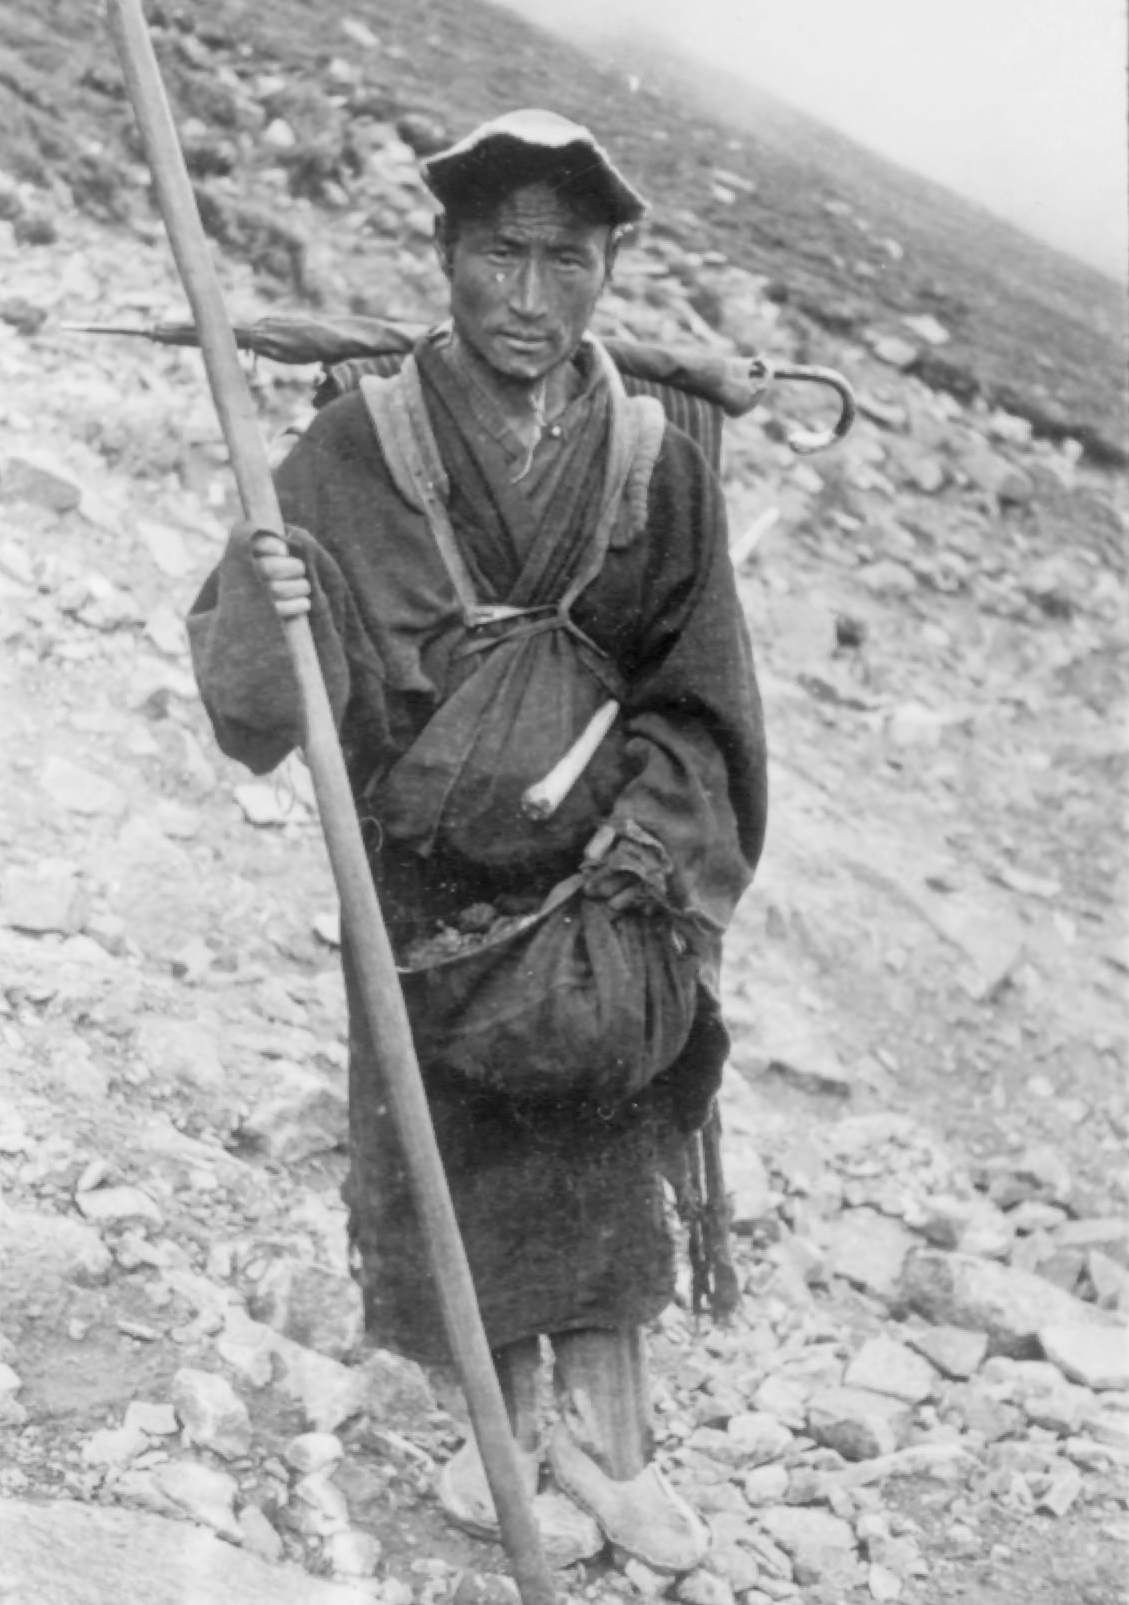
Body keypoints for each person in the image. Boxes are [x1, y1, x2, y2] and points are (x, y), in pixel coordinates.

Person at [188, 108, 767, 1572]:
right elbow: (262, 712)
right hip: (427, 886)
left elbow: (699, 695)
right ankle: (499, 1433)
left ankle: (606, 1439)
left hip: (598, 883)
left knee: (598, 1124)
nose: (526, 298)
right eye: (495, 255)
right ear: (444, 254)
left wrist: (652, 858)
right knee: (454, 1150)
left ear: (604, 274)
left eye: (563, 262)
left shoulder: (650, 460)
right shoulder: (349, 449)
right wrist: (269, 605)